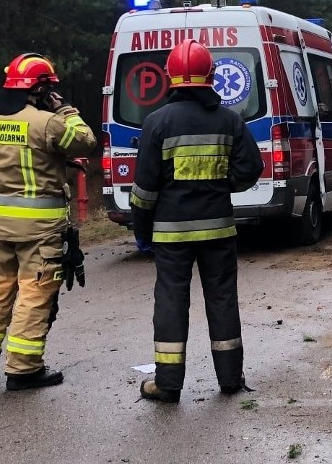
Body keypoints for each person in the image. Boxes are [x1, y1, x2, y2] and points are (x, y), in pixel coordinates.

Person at [130, 40, 264, 403]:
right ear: (210, 77)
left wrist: (143, 230)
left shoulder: (156, 122)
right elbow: (251, 168)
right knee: (222, 299)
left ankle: (168, 384)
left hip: (171, 235)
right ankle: (231, 379)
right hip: (219, 229)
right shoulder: (229, 120)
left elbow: (144, 190)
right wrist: (223, 185)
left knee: (171, 302)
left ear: (171, 77)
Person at [0, 53, 96, 390]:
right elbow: (86, 140)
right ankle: (23, 369)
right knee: (34, 294)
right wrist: (66, 110)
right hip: (39, 229)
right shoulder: (46, 123)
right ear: (40, 89)